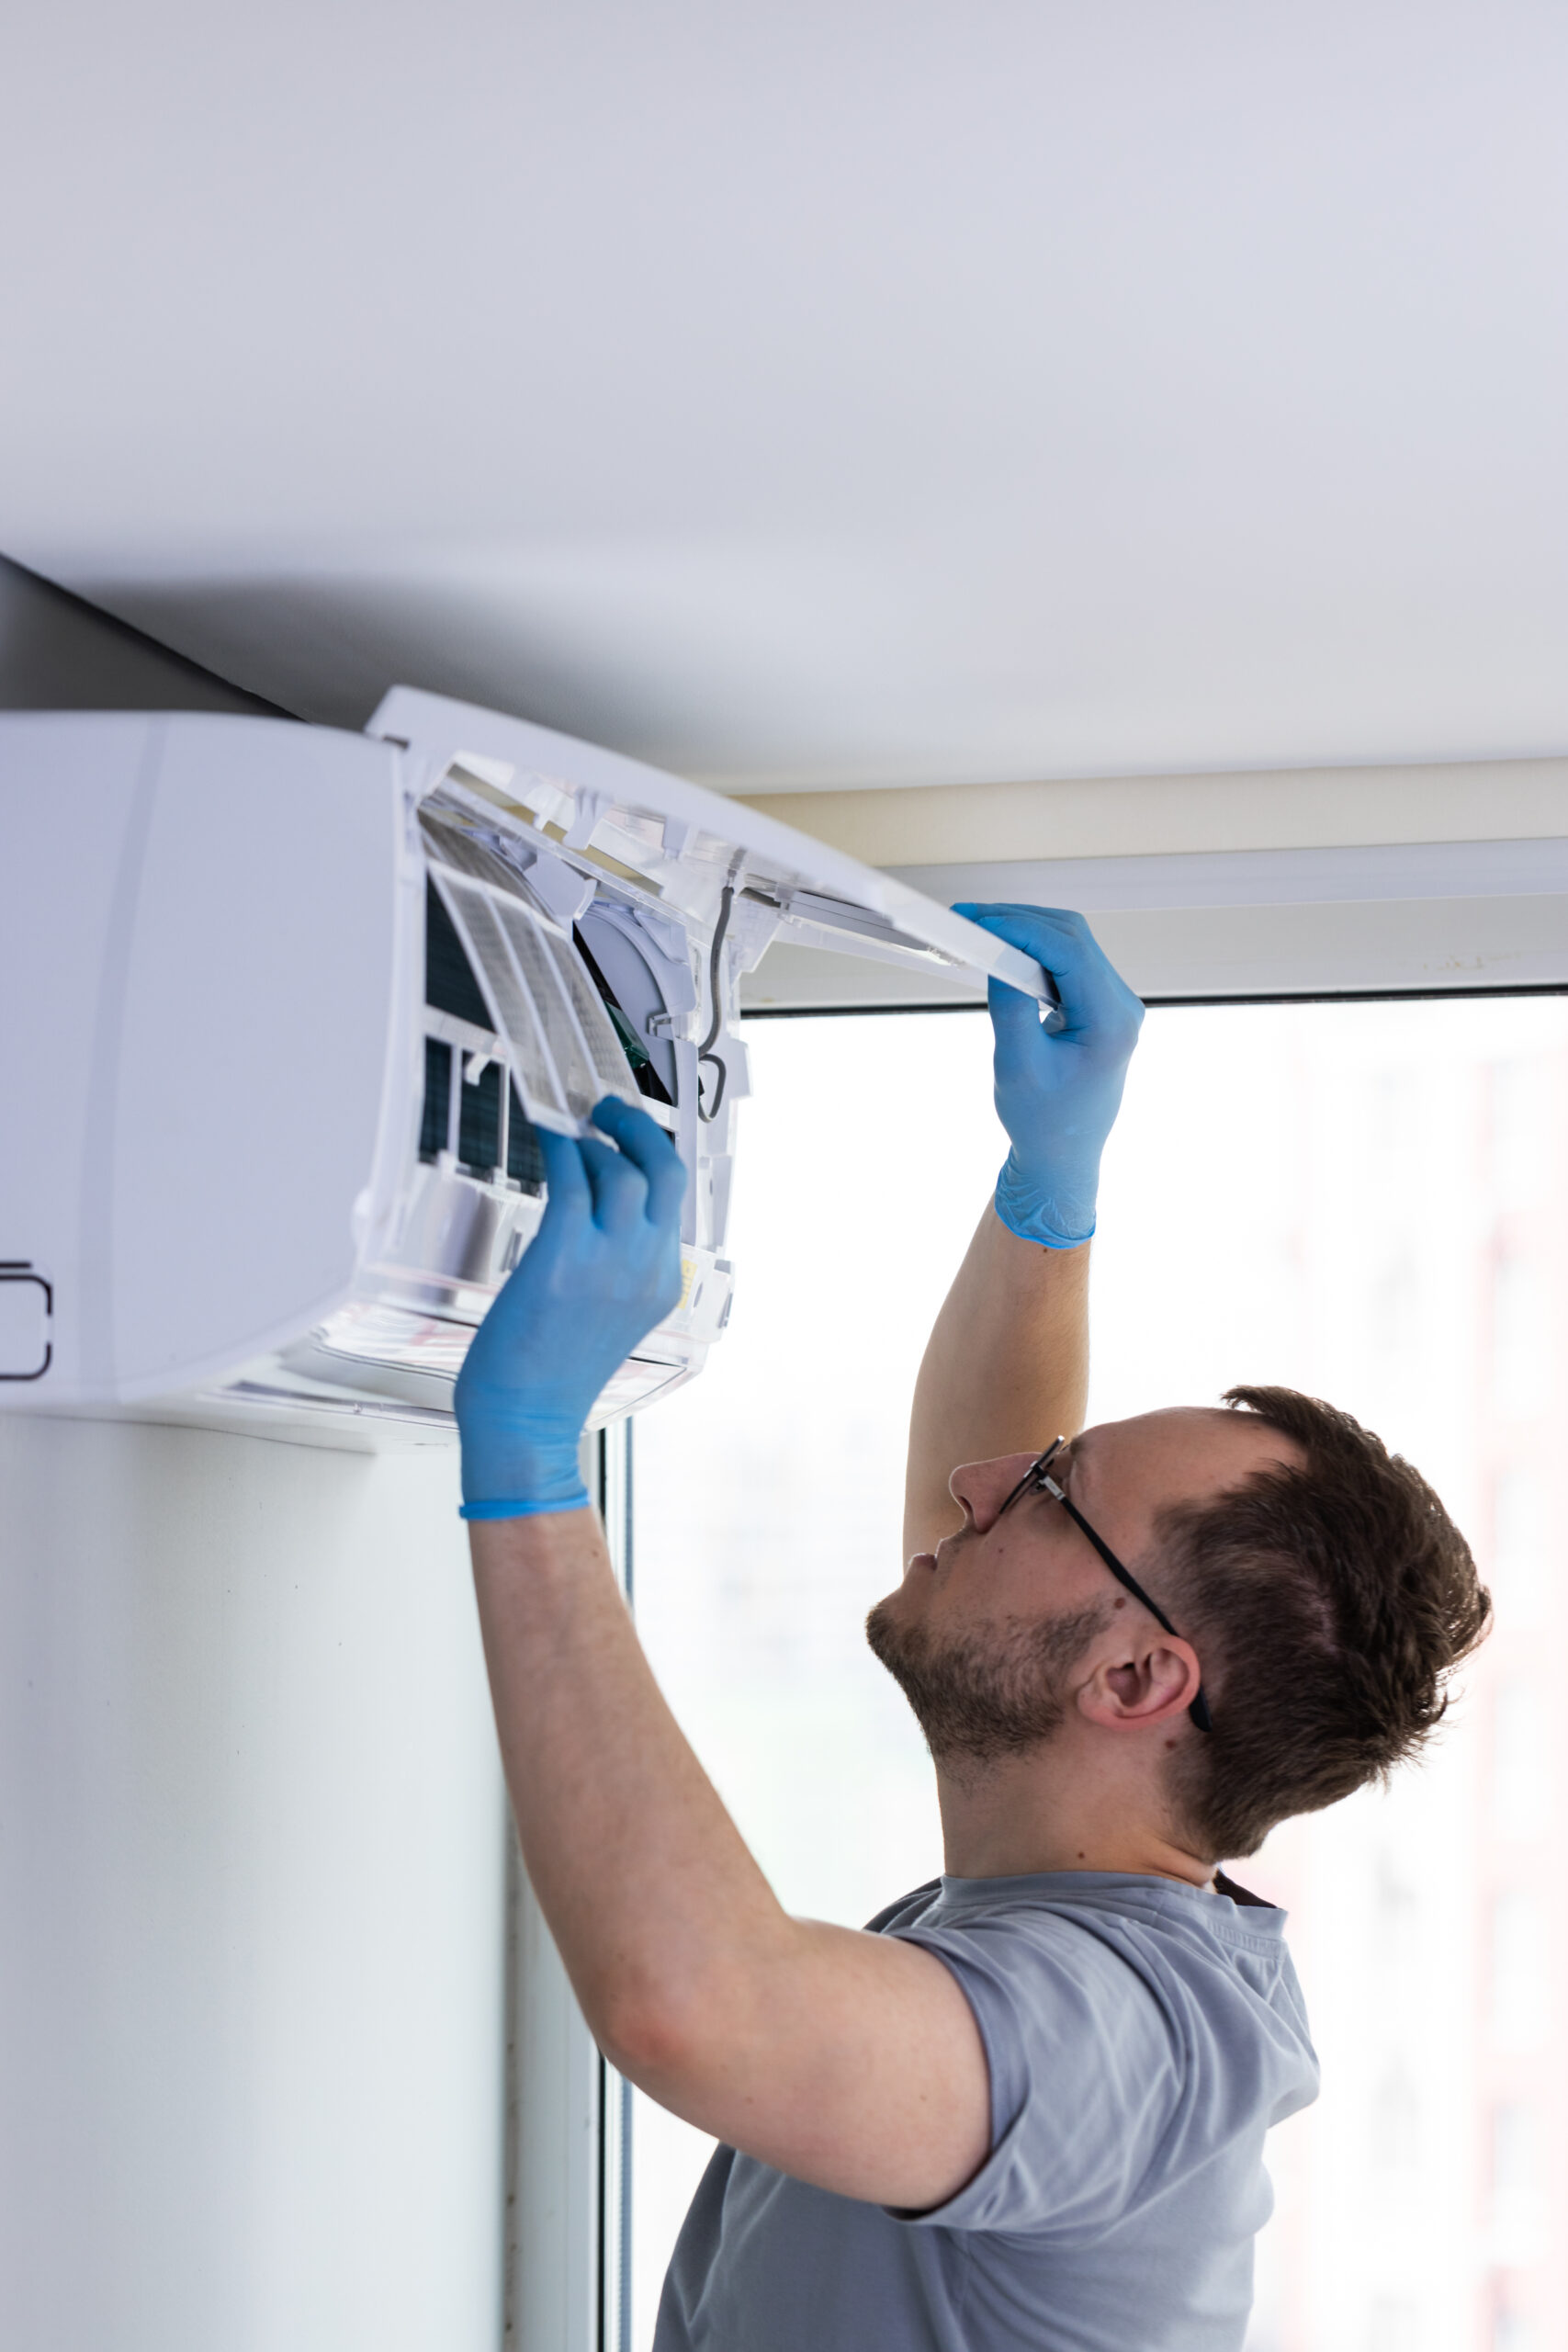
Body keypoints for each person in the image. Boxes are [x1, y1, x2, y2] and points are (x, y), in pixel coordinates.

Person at [455, 904, 1491, 2352]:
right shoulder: (1101, 1930)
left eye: (1053, 1489)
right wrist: (1047, 1191)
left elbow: (701, 2006)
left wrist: (526, 1454)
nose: (986, 1482)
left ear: (1133, 1677)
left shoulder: (1126, 2042)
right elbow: (1002, 1568)